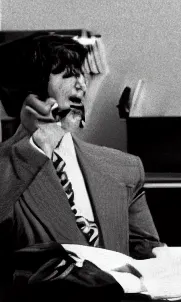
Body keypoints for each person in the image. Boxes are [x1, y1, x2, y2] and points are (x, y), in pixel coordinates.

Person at [0, 34, 161, 260]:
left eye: (81, 74)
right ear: (32, 92)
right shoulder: (9, 169)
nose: (82, 84)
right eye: (67, 75)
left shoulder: (125, 168)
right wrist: (38, 144)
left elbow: (146, 251)